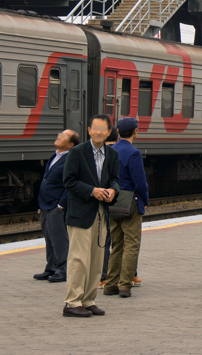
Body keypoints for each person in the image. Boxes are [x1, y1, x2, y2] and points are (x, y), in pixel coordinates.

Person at [61, 115, 119, 318]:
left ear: (109, 132)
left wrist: (113, 190)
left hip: (101, 214)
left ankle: (88, 300)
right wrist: (91, 191)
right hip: (80, 215)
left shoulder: (112, 154)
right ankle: (72, 302)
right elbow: (68, 181)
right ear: (89, 130)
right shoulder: (76, 152)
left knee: (96, 259)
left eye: (103, 129)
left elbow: (115, 180)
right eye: (95, 129)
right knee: (78, 259)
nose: (99, 132)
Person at [103, 118, 148, 298]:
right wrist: (144, 201)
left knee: (116, 245)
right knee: (131, 245)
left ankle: (110, 284)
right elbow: (140, 182)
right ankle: (124, 285)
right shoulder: (133, 153)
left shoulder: (110, 151)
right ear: (135, 131)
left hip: (113, 202)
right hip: (130, 203)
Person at [35, 129, 79, 284]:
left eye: (64, 136)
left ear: (71, 144)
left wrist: (61, 205)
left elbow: (70, 184)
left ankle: (63, 270)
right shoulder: (55, 155)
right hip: (46, 204)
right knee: (49, 237)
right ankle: (51, 268)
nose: (59, 136)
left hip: (56, 206)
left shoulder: (70, 159)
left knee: (60, 239)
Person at [99, 127, 120, 289]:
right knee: (124, 241)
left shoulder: (99, 154)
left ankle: (103, 276)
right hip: (122, 203)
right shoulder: (125, 152)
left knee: (104, 241)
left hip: (102, 203)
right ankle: (131, 274)